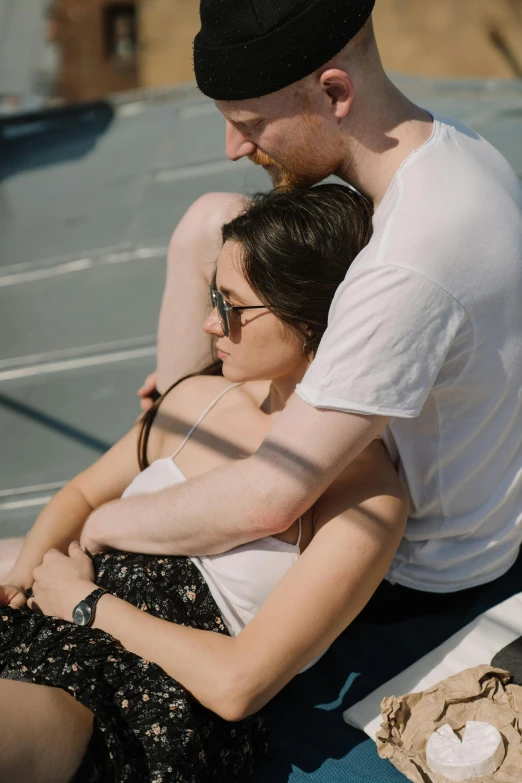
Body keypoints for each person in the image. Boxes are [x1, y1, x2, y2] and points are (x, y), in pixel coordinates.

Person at [83, 0, 522, 649]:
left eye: (252, 123)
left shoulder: (408, 263)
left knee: (56, 567)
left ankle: (163, 454)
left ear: (334, 92)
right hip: (419, 464)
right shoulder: (454, 149)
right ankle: (177, 427)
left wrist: (100, 522)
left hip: (414, 567)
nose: (234, 147)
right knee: (212, 220)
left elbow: (271, 499)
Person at [0, 186, 408, 782]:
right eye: (215, 293)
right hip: (54, 614)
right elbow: (82, 495)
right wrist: (22, 583)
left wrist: (88, 606)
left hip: (137, 696)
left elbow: (238, 684)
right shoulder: (199, 399)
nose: (209, 321)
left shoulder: (366, 499)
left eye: (234, 307)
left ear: (310, 316)